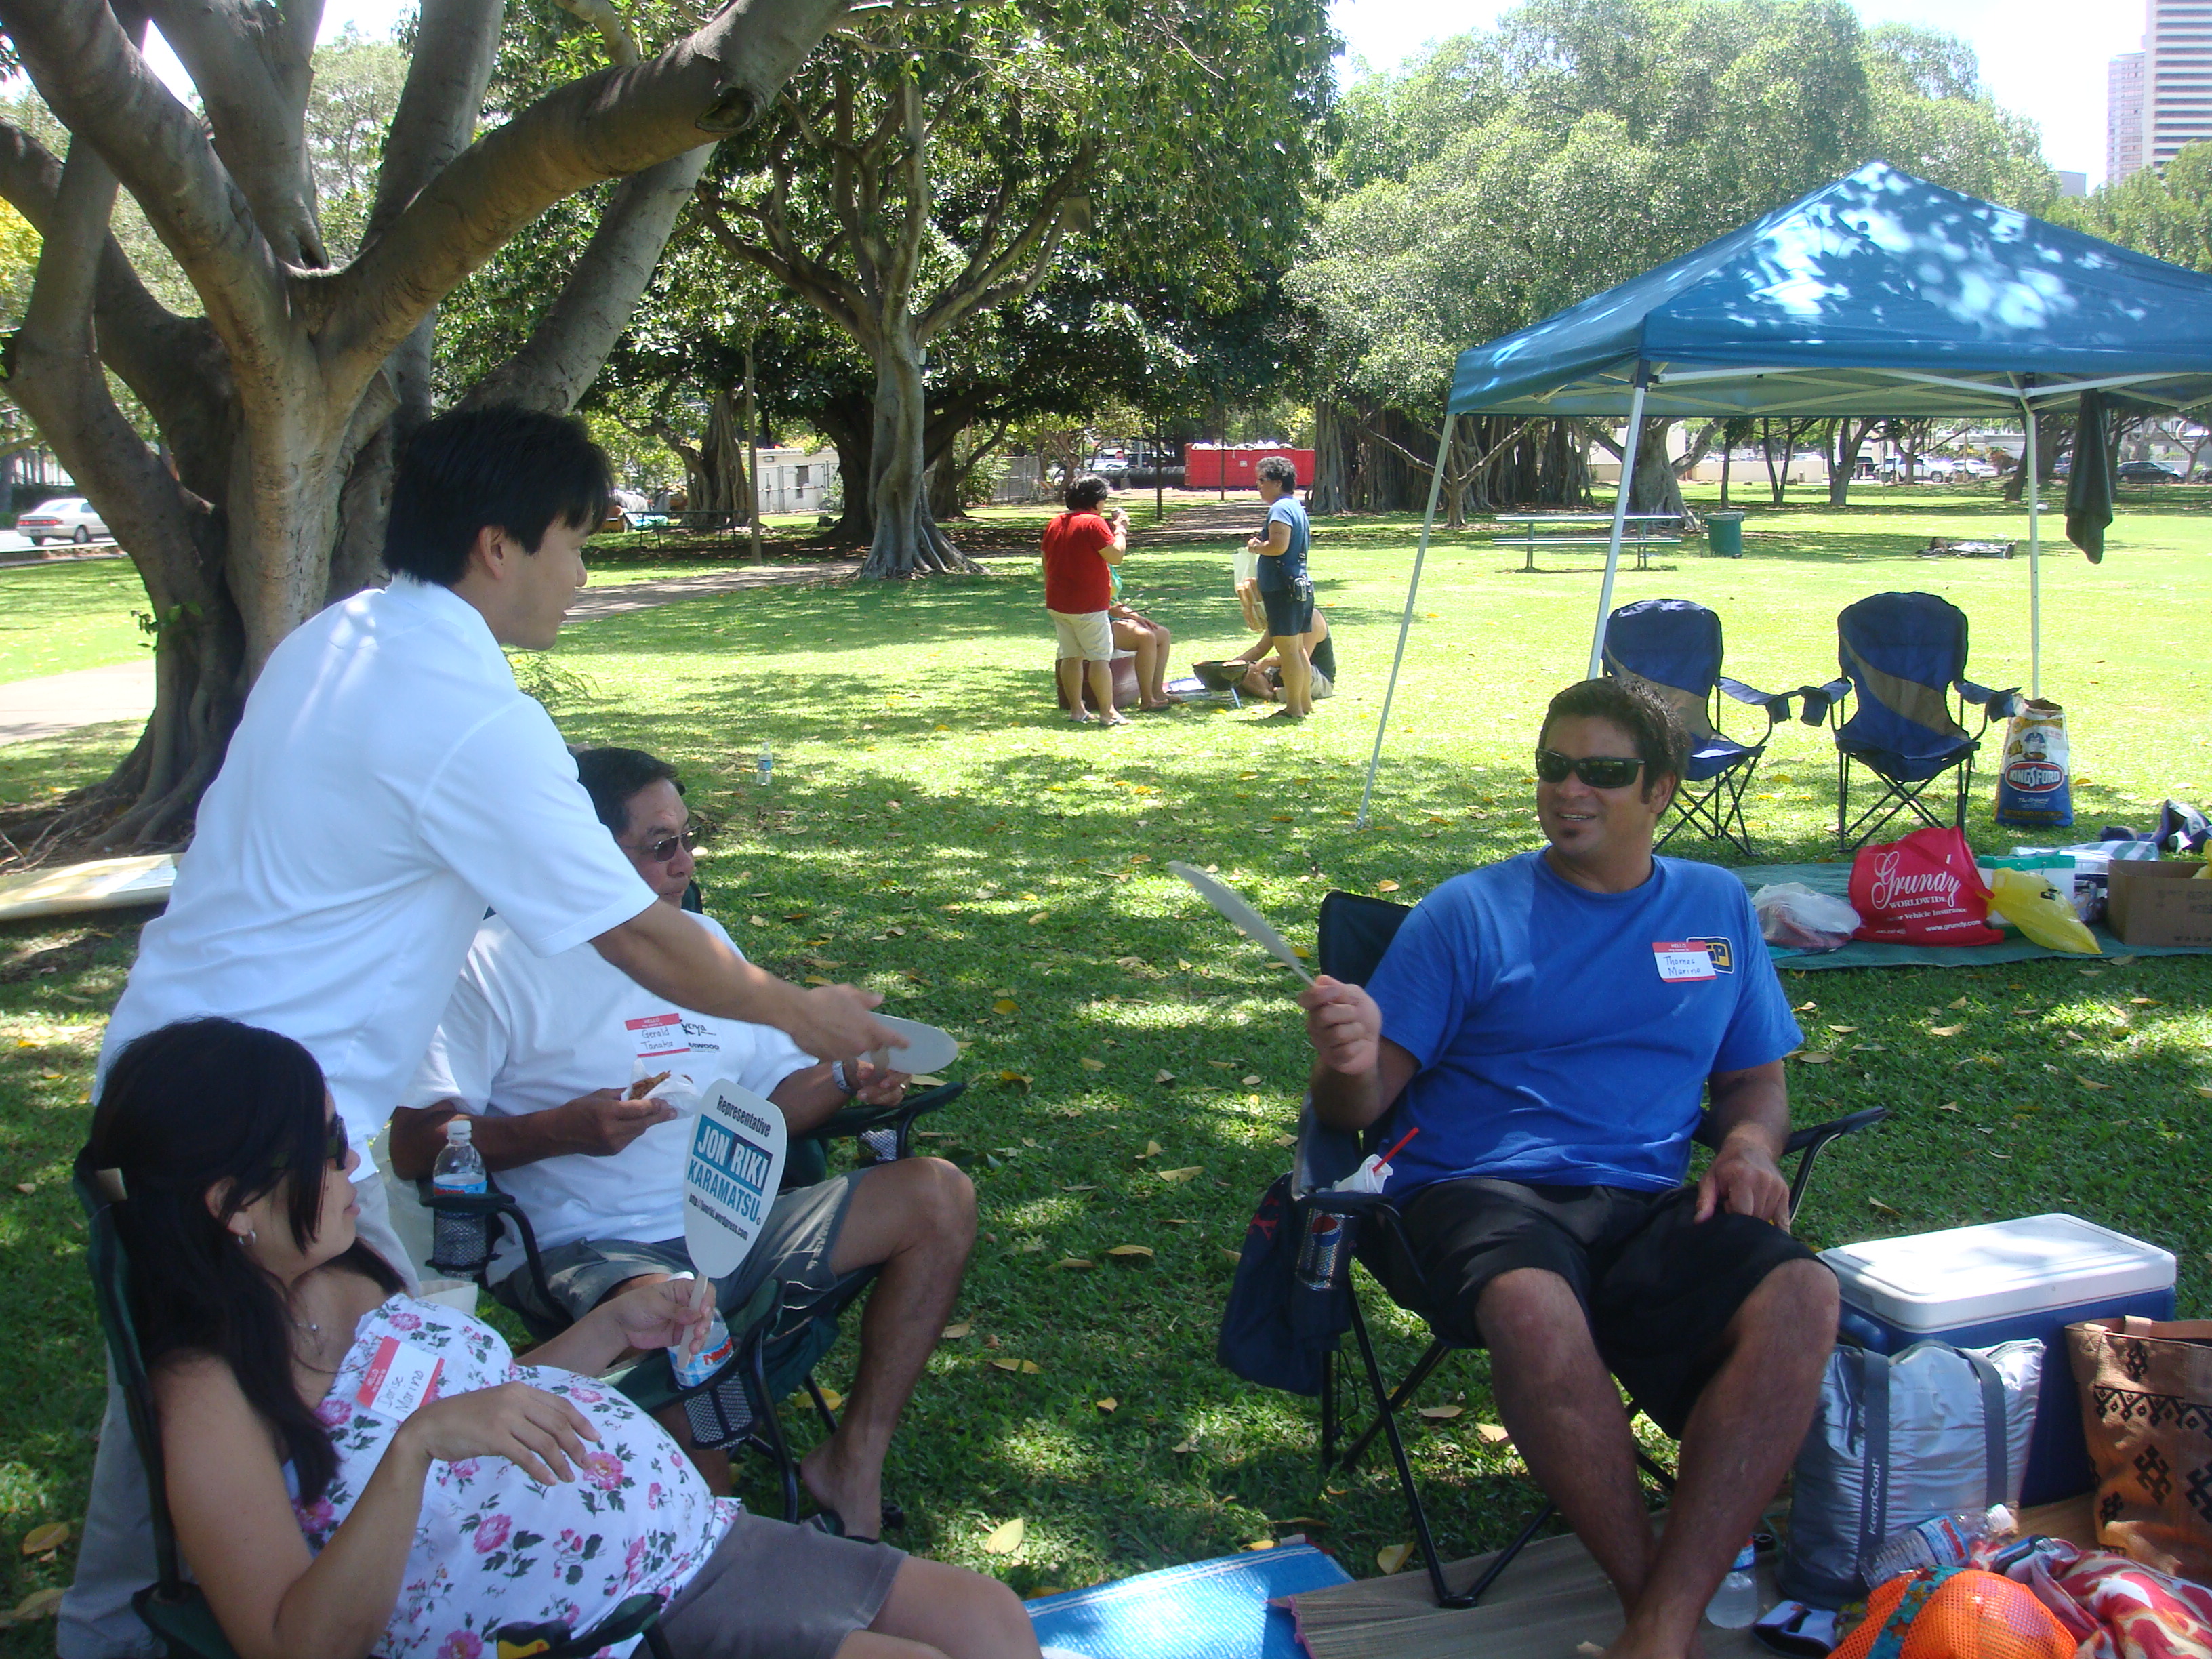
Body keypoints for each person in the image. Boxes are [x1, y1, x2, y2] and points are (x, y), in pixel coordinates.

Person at [65, 405, 901, 1659]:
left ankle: (173, 1616)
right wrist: (802, 1011)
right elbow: (632, 929)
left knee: (193, 1385)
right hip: (258, 1126)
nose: (584, 573)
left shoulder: (338, 638)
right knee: (235, 1396)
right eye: (576, 541)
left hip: (177, 1077)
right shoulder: (463, 711)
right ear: (498, 545)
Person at [83, 1017, 1038, 1659]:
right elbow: (295, 1642)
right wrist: (414, 1452)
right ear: (232, 1207)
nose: (351, 1168)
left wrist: (610, 1326)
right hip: (593, 1622)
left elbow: (492, 1400)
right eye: (328, 1151)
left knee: (987, 1618)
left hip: (691, 1537)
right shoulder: (208, 1395)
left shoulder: (343, 1274)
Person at [1296, 678, 1837, 1659]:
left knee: (1803, 1294)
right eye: (1554, 766)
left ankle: (1660, 1625)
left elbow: (1754, 1081)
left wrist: (1750, 1146)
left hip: (1643, 1198)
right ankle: (1654, 1617)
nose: (1570, 789)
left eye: (1604, 771)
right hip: (1473, 1190)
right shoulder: (1467, 914)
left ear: (1660, 789)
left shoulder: (1714, 906)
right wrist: (1346, 1060)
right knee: (1532, 1304)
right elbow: (1356, 1111)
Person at [389, 746, 975, 1540]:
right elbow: (416, 1145)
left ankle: (852, 1460)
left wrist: (845, 1077)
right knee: (683, 1344)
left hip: (731, 1220)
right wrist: (561, 1129)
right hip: (594, 1245)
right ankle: (709, 1544)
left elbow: (770, 1102)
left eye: (687, 839)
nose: (686, 863)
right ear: (588, 855)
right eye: (662, 845)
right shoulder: (492, 965)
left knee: (938, 1195)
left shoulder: (704, 944)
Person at [1040, 472, 1128, 726]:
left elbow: (1046, 562)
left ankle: (1077, 710)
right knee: (1100, 657)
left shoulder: (1055, 523)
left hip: (1059, 602)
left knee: (1071, 656)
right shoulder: (1093, 523)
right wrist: (1121, 530)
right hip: (1088, 605)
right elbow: (1116, 556)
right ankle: (1107, 713)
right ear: (1096, 500)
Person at [1245, 455, 1315, 720]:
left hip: (1283, 589)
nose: (1259, 486)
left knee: (1288, 651)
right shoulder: (1295, 507)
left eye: (1262, 480)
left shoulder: (1280, 509)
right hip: (1299, 586)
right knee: (1297, 649)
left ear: (1278, 482)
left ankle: (1293, 709)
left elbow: (1277, 546)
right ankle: (1305, 703)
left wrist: (1255, 547)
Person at [1197, 602, 1336, 704]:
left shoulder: (1312, 617)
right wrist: (1232, 666)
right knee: (1247, 671)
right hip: (1281, 671)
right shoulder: (1280, 616)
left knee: (1288, 669)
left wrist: (1269, 662)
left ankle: (1268, 694)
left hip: (1315, 676)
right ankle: (1273, 690)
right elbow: (1260, 649)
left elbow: (1300, 658)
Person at [1107, 567, 1181, 712]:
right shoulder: (1089, 565)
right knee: (1145, 637)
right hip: (1097, 621)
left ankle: (1157, 692)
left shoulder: (1109, 565)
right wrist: (1110, 610)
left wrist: (1136, 616)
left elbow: (1113, 602)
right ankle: (1147, 700)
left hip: (1114, 617)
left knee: (1163, 634)